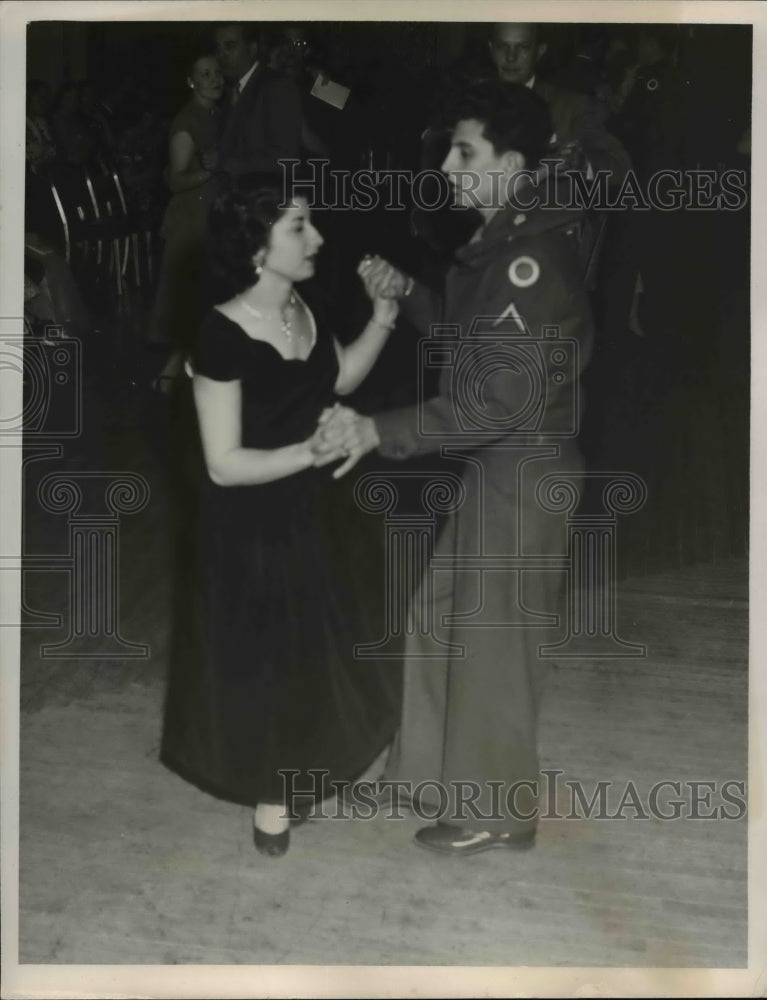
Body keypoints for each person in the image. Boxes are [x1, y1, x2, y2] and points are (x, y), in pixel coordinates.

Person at [312, 79, 594, 855]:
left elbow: (493, 402)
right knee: (439, 618)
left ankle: (497, 810)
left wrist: (375, 430)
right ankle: (436, 775)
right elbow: (473, 342)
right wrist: (407, 297)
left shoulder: (529, 260)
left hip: (521, 467)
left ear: (510, 161)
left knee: (494, 643)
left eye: (463, 150)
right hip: (501, 467)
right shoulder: (507, 241)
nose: (445, 164)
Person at [160, 178, 400, 858]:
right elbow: (222, 463)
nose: (317, 236)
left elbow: (339, 378)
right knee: (274, 655)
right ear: (256, 246)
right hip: (254, 523)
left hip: (318, 506)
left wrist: (381, 315)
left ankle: (318, 767)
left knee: (326, 647)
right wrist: (308, 449)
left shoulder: (305, 302)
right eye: (298, 227)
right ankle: (272, 796)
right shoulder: (220, 333)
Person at [148, 49, 224, 388]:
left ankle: (190, 370)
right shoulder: (187, 121)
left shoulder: (217, 114)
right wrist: (209, 172)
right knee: (192, 294)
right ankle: (170, 372)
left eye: (217, 72)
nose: (214, 79)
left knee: (206, 294)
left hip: (214, 211)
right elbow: (176, 179)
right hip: (194, 216)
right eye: (205, 74)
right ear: (191, 81)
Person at [488, 22, 630, 182]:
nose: (511, 57)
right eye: (502, 46)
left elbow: (621, 167)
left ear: (540, 51)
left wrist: (583, 164)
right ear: (491, 49)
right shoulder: (471, 100)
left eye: (523, 47)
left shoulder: (570, 106)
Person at [214, 22, 303, 180]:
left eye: (230, 46)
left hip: (262, 199)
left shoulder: (276, 86)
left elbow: (288, 160)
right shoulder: (228, 89)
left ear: (252, 49)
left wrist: (229, 164)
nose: (221, 55)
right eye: (218, 48)